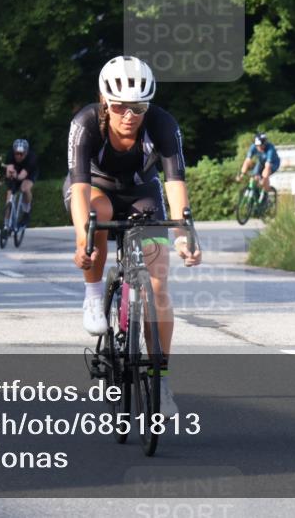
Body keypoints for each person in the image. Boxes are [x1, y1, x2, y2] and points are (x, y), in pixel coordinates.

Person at [64, 55, 201, 417]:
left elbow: (175, 184)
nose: (130, 115)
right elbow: (78, 188)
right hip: (94, 189)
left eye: (138, 107)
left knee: (158, 285)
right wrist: (83, 241)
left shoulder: (162, 124)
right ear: (105, 102)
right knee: (100, 215)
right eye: (121, 107)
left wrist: (184, 236)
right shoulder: (86, 123)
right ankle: (94, 295)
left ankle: (162, 380)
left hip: (142, 192)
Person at [4, 138, 38, 223]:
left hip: (29, 173)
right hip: (16, 171)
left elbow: (21, 176)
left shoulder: (31, 158)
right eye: (16, 153)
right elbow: (9, 172)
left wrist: (16, 176)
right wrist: (11, 174)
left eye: (21, 154)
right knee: (8, 200)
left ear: (26, 153)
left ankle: (27, 210)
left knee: (24, 188)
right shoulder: (10, 155)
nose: (18, 156)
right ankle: (6, 223)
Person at [237, 132, 280, 197]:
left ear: (265, 144)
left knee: (265, 175)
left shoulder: (270, 149)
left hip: (273, 163)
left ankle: (266, 195)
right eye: (257, 145)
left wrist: (263, 179)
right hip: (261, 162)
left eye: (260, 146)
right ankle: (256, 194)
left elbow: (267, 166)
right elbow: (247, 161)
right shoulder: (253, 147)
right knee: (254, 177)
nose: (258, 147)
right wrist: (242, 174)